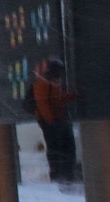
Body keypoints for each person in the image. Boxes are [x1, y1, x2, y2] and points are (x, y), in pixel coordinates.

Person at [32, 57, 81, 185]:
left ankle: (67, 173)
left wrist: (72, 96)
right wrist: (51, 122)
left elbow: (56, 99)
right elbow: (43, 104)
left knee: (66, 147)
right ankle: (59, 174)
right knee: (57, 148)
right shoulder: (42, 84)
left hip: (58, 120)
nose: (60, 75)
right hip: (51, 122)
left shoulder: (52, 83)